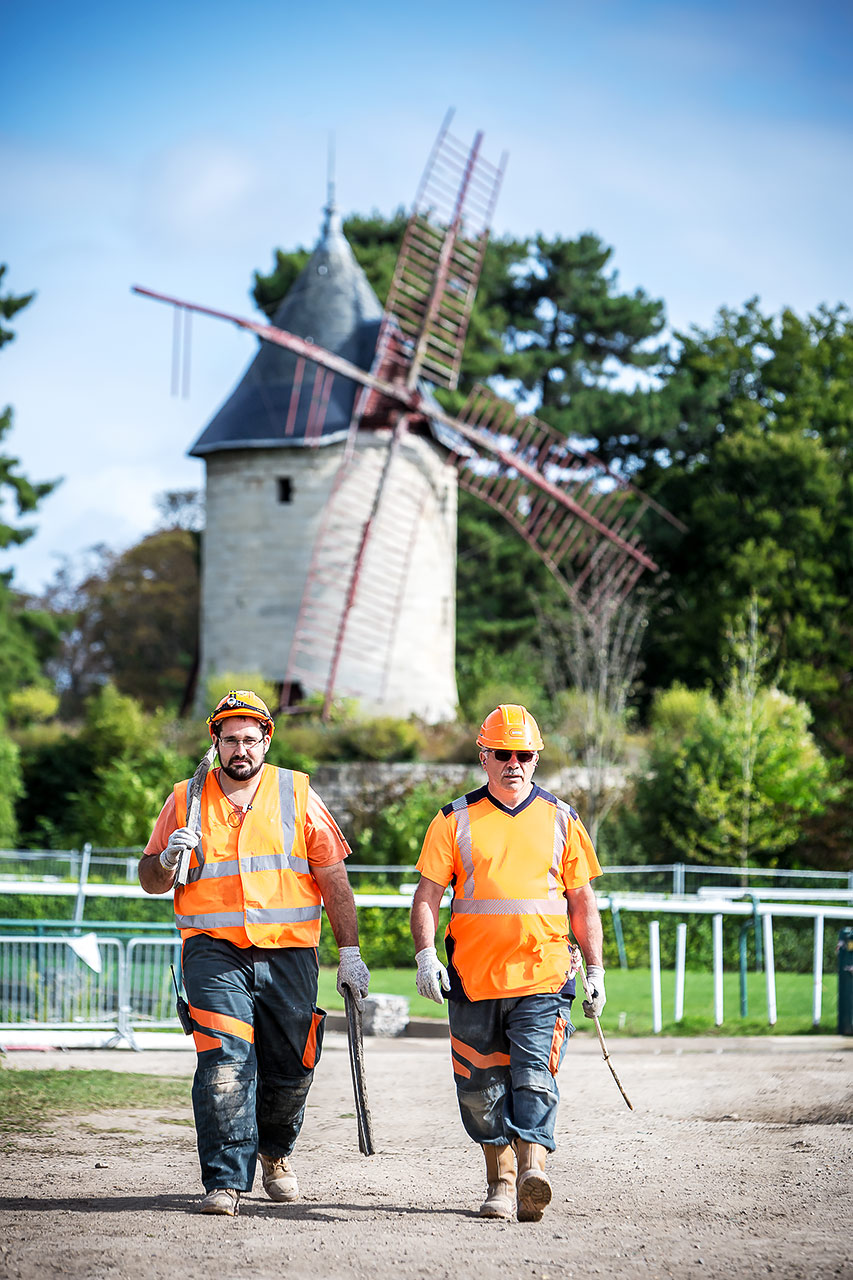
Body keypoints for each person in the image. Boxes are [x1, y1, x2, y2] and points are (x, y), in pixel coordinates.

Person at [139, 690, 370, 1217]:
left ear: (266, 740)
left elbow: (333, 878)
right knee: (224, 1063)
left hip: (290, 954)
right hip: (213, 952)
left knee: (291, 1068)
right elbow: (150, 879)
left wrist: (351, 953)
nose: (240, 749)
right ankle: (224, 1180)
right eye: (230, 739)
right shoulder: (185, 798)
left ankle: (275, 1153)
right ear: (215, 742)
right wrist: (167, 858)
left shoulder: (298, 793)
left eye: (250, 739)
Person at [410, 704, 605, 1223]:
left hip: (543, 976)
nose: (513, 763)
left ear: (536, 759)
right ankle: (498, 1182)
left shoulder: (563, 819)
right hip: (473, 980)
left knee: (533, 1075)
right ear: (484, 757)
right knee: (480, 1087)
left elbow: (582, 902)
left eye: (524, 754)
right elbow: (428, 894)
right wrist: (426, 955)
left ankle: (531, 1172)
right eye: (503, 753)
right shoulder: (454, 819)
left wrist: (595, 969)